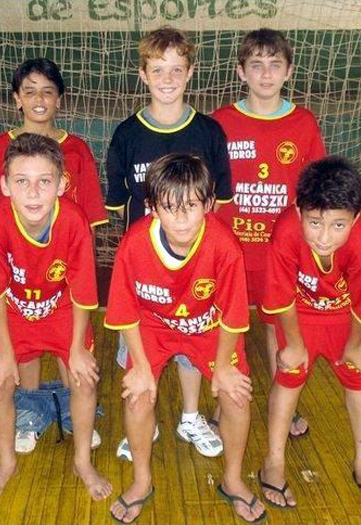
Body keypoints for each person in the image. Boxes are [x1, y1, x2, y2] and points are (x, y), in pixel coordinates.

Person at [105, 153, 265, 524]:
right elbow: (124, 311)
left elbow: (234, 315)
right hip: (154, 327)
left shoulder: (225, 246)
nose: (181, 219)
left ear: (209, 204)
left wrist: (223, 367)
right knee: (138, 396)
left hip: (208, 327)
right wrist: (140, 366)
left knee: (236, 397)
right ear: (151, 207)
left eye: (191, 206)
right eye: (169, 207)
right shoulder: (134, 244)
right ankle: (142, 481)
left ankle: (233, 480)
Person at [105, 26, 230, 460]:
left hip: (195, 266)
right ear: (142, 74)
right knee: (139, 353)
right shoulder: (126, 134)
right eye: (158, 70)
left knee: (192, 345)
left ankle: (191, 417)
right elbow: (119, 205)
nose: (168, 78)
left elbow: (218, 202)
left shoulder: (209, 132)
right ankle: (146, 422)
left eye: (177, 69)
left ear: (190, 72)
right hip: (145, 270)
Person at [0, 57, 107, 453]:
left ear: (59, 99)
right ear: (16, 98)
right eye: (29, 91)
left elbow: (87, 223)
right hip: (18, 280)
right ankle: (29, 415)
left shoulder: (77, 151)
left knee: (75, 358)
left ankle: (74, 414)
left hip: (60, 280)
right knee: (22, 351)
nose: (38, 99)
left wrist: (73, 269)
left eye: (47, 91)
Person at [0, 133, 111, 503]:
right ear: (5, 185)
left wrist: (78, 349)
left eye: (44, 181)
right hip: (11, 311)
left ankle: (82, 462)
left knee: (83, 379)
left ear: (62, 185)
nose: (33, 193)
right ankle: (6, 464)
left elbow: (83, 292)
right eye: (22, 181)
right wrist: (4, 354)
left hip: (61, 308)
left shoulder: (75, 221)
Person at [258, 156, 361, 510]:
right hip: (299, 312)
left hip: (344, 316)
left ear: (356, 219)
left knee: (359, 378)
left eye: (338, 225)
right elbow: (281, 296)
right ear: (298, 210)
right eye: (314, 222)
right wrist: (294, 345)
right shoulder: (286, 231)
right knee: (289, 374)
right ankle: (274, 461)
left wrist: (356, 346)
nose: (323, 237)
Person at [213, 28, 326, 439]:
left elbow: (316, 188)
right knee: (226, 327)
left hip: (281, 253)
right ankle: (221, 403)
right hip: (230, 249)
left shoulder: (303, 122)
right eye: (256, 65)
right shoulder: (220, 122)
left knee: (277, 328)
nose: (265, 74)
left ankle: (285, 405)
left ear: (288, 71)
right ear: (241, 71)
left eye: (274, 65)